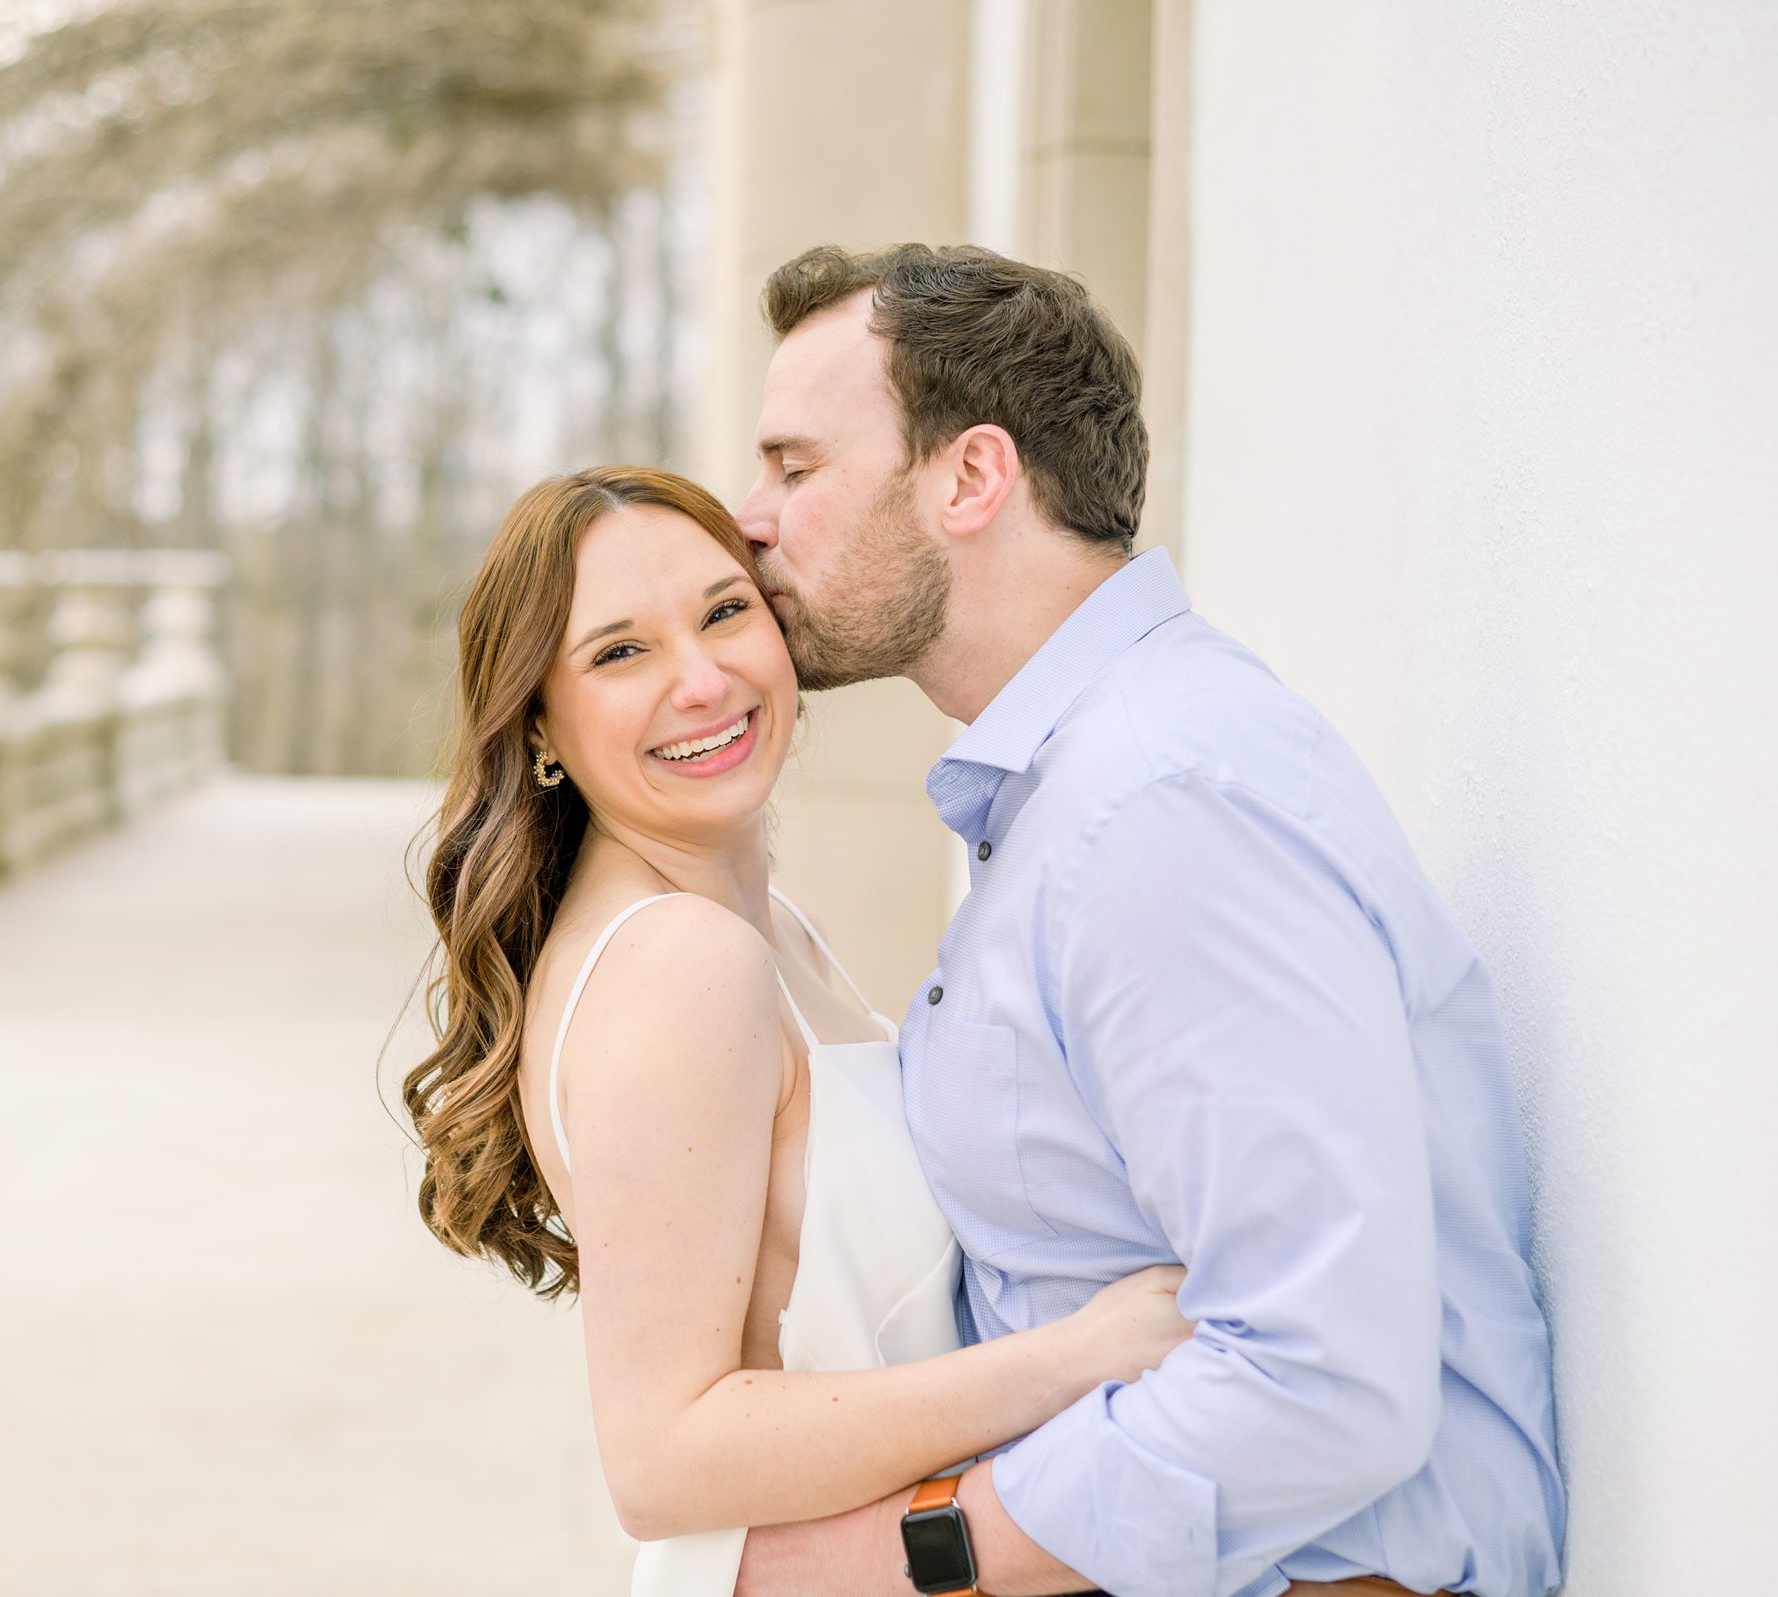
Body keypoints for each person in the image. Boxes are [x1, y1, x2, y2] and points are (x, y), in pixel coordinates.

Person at [728, 244, 1567, 1597]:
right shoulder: (1087, 787)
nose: (750, 516)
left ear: (971, 477)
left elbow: (1320, 1376)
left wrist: (916, 1554)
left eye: (795, 465)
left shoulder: (1157, 802)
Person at [402, 464, 1196, 1595]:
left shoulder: (769, 930)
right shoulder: (683, 963)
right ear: (539, 722)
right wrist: (1075, 1360)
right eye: (620, 652)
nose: (702, 678)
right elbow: (664, 1457)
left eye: (726, 612)